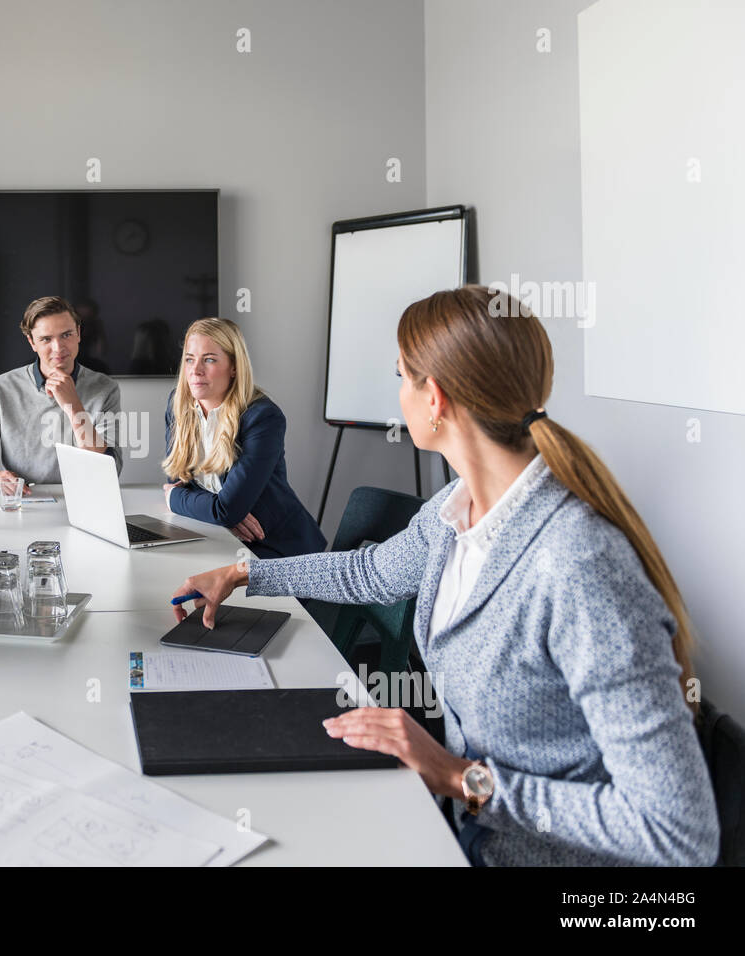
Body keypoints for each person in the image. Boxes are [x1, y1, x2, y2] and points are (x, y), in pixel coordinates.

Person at [171, 286, 718, 867]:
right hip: (469, 837)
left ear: (433, 397)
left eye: (401, 377)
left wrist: (461, 779)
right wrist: (242, 575)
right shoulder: (456, 507)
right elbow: (369, 572)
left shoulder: (577, 565)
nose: (398, 393)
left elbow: (679, 831)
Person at [162, 318, 326, 559]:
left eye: (209, 359)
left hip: (278, 551)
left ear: (234, 367)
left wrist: (174, 498)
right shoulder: (178, 403)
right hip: (221, 539)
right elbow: (179, 480)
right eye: (189, 359)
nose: (195, 370)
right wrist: (221, 511)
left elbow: (187, 495)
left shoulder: (262, 418)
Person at [0, 295, 121, 494]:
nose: (58, 348)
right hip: (25, 501)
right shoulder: (2, 388)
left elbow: (108, 471)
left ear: (78, 334)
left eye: (66, 335)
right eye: (46, 339)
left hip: (85, 498)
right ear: (32, 342)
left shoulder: (105, 388)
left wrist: (73, 407)